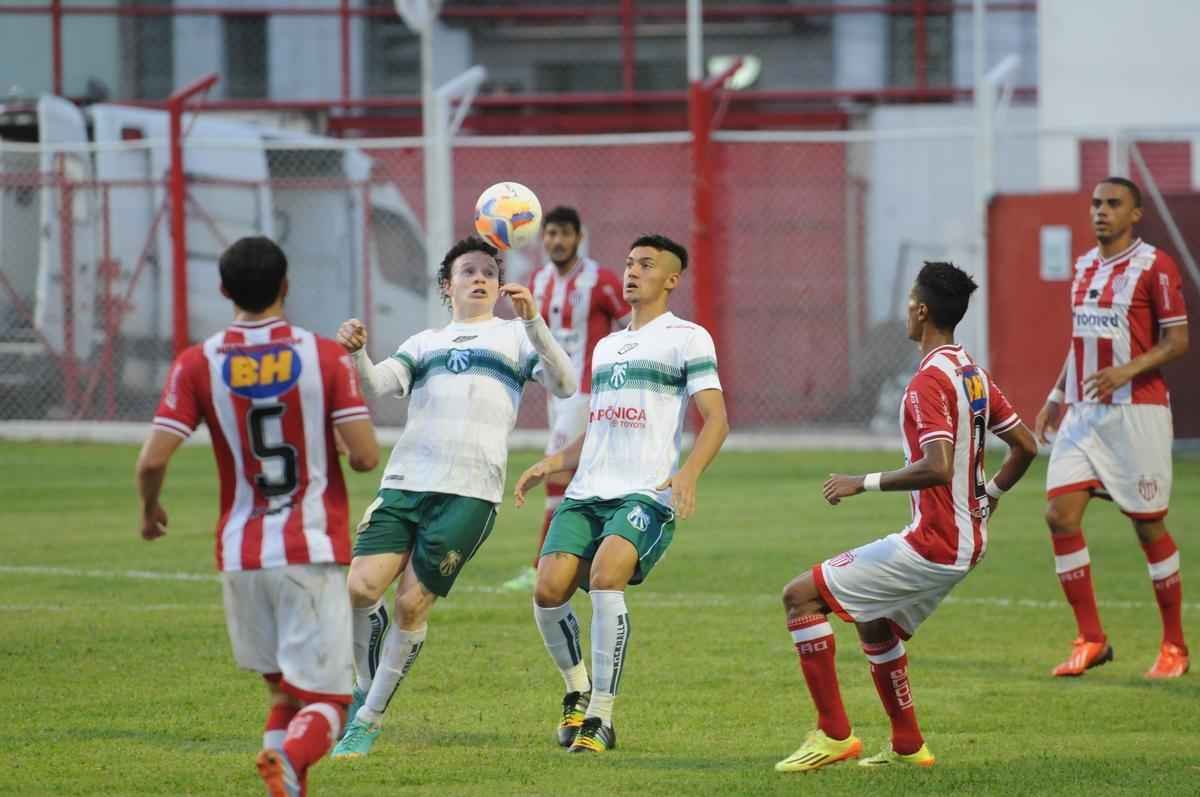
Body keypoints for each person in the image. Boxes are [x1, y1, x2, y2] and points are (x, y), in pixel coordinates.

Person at [134, 236, 379, 797]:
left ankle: (285, 779)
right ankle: (289, 760)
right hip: (309, 552)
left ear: (223, 291)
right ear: (286, 285)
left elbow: (151, 462)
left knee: (284, 696)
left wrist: (150, 512)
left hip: (241, 555)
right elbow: (365, 456)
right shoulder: (322, 356)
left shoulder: (198, 362)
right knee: (331, 703)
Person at [774, 261, 1038, 773]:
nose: (905, 314)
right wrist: (992, 493)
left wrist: (862, 482)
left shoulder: (926, 384)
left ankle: (833, 735)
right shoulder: (973, 374)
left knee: (799, 596)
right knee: (875, 624)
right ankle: (908, 745)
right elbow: (1026, 446)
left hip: (934, 543)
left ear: (920, 310)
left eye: (908, 305)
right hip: (966, 541)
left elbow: (937, 467)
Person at [330, 235, 576, 758]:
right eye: (468, 271)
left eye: (489, 270)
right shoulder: (424, 342)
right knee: (359, 587)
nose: (481, 277)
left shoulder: (515, 337)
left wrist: (534, 321)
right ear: (448, 286)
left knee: (412, 605)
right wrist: (358, 354)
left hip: (470, 492)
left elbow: (567, 383)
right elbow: (377, 386)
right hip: (405, 483)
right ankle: (364, 686)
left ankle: (367, 720)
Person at [514, 233, 729, 753]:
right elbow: (602, 427)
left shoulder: (688, 337)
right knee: (548, 590)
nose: (632, 272)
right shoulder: (608, 346)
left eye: (647, 265)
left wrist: (689, 473)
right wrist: (556, 460)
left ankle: (602, 719)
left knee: (608, 576)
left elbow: (717, 419)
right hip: (588, 491)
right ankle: (577, 691)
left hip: (645, 492)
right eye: (629, 263)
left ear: (671, 279)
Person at [1035, 177, 1190, 678]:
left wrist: (1125, 371)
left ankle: (1175, 647)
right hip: (1084, 412)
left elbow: (1178, 340)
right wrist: (1057, 395)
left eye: (1113, 204)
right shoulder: (1082, 267)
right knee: (1059, 515)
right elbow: (1080, 342)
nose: (1101, 211)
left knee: (1148, 526)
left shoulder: (1155, 266)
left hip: (1136, 413)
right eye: (1097, 203)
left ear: (1136, 214)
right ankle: (1091, 639)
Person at [501, 206, 630, 592]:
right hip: (557, 393)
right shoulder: (537, 281)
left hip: (588, 390)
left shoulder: (601, 280)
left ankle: (540, 564)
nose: (557, 241)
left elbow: (631, 327)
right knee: (582, 474)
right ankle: (589, 555)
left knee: (557, 471)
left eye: (564, 234)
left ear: (579, 237)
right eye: (551, 234)